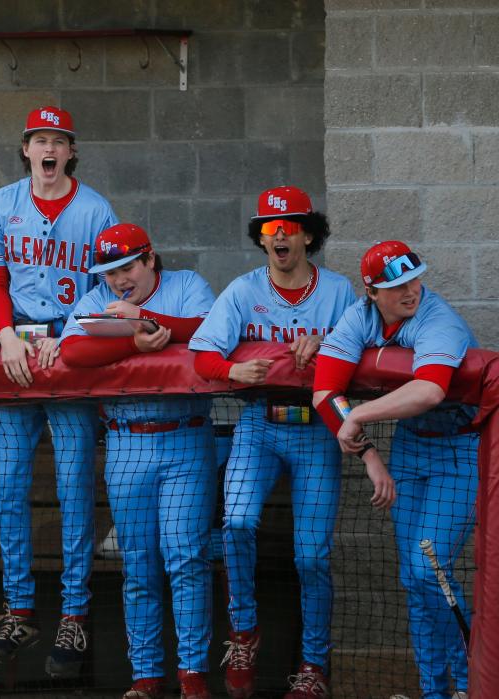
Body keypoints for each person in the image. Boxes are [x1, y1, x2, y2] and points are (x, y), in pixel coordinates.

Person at [189, 186, 356, 699]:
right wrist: (232, 367)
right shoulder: (242, 290)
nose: (279, 234)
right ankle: (244, 631)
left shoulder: (340, 291)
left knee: (311, 557)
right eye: (269, 227)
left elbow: (372, 349)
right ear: (262, 239)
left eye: (289, 226)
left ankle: (313, 664)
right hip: (258, 424)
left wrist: (331, 346)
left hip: (317, 429)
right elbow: (202, 353)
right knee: (235, 523)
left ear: (308, 233)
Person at [0, 105, 118, 678]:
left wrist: (75, 332)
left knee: (74, 487)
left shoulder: (95, 208)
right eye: (40, 139)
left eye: (59, 140)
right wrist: (6, 335)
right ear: (26, 148)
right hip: (16, 351)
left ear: (72, 151)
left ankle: (75, 614)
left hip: (70, 351)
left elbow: (111, 281)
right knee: (8, 485)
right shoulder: (1, 204)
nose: (50, 148)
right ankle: (21, 608)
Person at [60, 223, 217, 699]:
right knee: (139, 565)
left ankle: (192, 675)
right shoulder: (96, 300)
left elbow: (210, 329)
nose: (117, 279)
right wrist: (133, 340)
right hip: (126, 440)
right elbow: (71, 351)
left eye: (126, 267)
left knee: (186, 558)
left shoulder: (187, 285)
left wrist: (143, 317)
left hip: (185, 436)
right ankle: (145, 677)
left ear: (150, 260)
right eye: (109, 272)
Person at [314, 240, 476, 699]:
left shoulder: (437, 317)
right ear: (372, 291)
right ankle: (434, 691)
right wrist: (370, 457)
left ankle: (470, 685)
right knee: (413, 577)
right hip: (408, 450)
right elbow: (325, 392)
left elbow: (429, 392)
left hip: (458, 450)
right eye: (397, 284)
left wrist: (359, 418)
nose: (410, 290)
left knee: (431, 571)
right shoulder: (358, 316)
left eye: (414, 278)